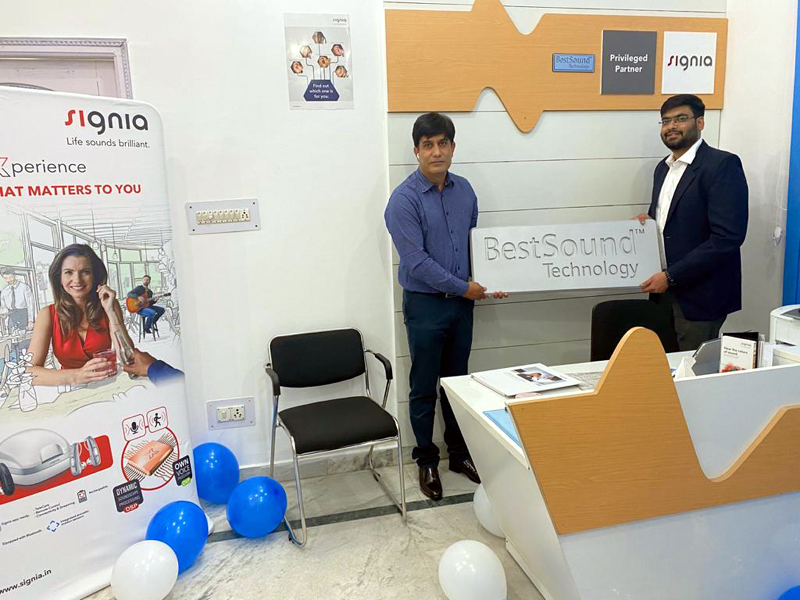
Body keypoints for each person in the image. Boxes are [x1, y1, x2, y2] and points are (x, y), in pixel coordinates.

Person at [384, 112, 506, 500]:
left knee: (458, 384)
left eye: (443, 143)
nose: (436, 152)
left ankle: (458, 454)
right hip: (426, 306)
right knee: (423, 385)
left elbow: (475, 245)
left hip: (462, 307)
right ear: (416, 151)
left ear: (453, 147)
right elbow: (417, 263)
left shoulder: (465, 190)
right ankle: (426, 460)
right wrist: (464, 288)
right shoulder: (403, 200)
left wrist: (492, 279)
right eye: (428, 145)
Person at [636, 94, 748, 351]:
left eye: (680, 119)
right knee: (662, 364)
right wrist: (648, 223)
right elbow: (671, 220)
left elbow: (727, 238)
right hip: (662, 292)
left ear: (700, 122)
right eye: (666, 121)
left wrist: (671, 276)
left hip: (701, 295)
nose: (671, 126)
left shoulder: (721, 165)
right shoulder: (663, 168)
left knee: (691, 369)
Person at [27, 244, 136, 386]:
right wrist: (77, 376)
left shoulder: (108, 305)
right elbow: (29, 372)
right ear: (59, 278)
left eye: (85, 272)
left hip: (108, 384)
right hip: (70, 388)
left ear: (95, 276)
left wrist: (111, 312)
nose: (77, 280)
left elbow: (129, 358)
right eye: (68, 272)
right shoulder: (47, 314)